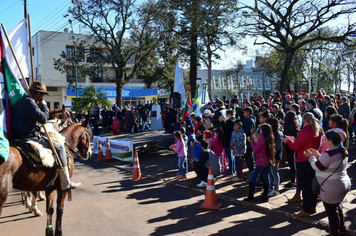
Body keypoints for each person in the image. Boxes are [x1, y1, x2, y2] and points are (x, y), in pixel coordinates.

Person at [11, 82, 81, 190]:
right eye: (42, 96)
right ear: (39, 94)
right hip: (27, 137)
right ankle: (65, 181)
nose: (41, 98)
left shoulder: (20, 100)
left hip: (16, 135)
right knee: (60, 147)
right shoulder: (29, 102)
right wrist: (44, 105)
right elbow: (43, 118)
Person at [305, 130, 351, 236]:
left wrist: (311, 157)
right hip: (343, 184)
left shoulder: (329, 153)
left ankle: (334, 233)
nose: (325, 141)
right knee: (337, 207)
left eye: (326, 139)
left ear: (330, 141)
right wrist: (317, 155)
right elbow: (329, 163)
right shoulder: (343, 150)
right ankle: (342, 229)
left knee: (331, 212)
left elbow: (318, 166)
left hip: (331, 188)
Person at [282, 112, 322, 217]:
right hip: (312, 159)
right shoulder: (316, 130)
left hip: (303, 160)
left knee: (306, 186)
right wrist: (293, 140)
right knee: (312, 185)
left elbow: (295, 147)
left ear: (304, 121)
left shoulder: (305, 131)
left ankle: (306, 210)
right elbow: (302, 143)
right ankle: (312, 206)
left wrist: (288, 141)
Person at [244, 123, 275, 202]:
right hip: (267, 159)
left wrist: (251, 143)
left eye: (260, 129)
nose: (259, 130)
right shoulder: (269, 137)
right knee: (266, 176)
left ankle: (251, 195)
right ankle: (265, 195)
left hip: (261, 160)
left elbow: (256, 149)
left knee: (254, 175)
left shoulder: (262, 138)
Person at [283, 111, 300, 192]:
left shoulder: (290, 126)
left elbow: (286, 135)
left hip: (290, 146)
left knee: (292, 164)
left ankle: (293, 182)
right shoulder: (295, 125)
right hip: (292, 145)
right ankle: (293, 180)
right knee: (292, 163)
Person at [267, 117, 283, 197]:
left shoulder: (277, 134)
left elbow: (276, 146)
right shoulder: (273, 132)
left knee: (274, 172)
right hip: (272, 155)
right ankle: (271, 188)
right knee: (271, 172)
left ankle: (276, 189)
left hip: (275, 156)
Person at [221, 109, 236, 176]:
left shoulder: (229, 121)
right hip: (232, 140)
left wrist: (222, 122)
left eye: (226, 114)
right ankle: (232, 169)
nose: (226, 116)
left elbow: (224, 128)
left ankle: (231, 171)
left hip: (228, 140)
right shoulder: (234, 120)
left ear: (229, 114)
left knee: (230, 156)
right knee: (231, 156)